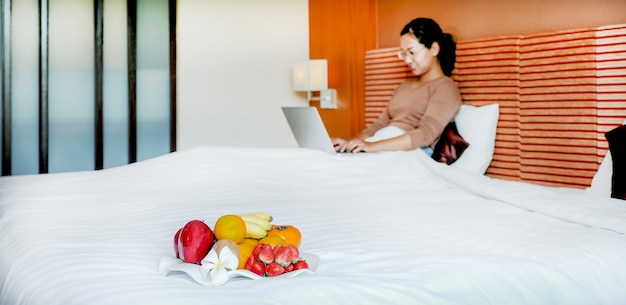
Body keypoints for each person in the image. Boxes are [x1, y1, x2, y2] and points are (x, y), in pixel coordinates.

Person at [332, 18, 462, 154]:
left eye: (412, 52)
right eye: (403, 53)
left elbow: (426, 134)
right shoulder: (404, 87)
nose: (406, 60)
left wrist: (371, 146)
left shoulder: (445, 87)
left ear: (434, 49)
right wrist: (352, 144)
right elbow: (378, 125)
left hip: (410, 151)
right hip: (382, 144)